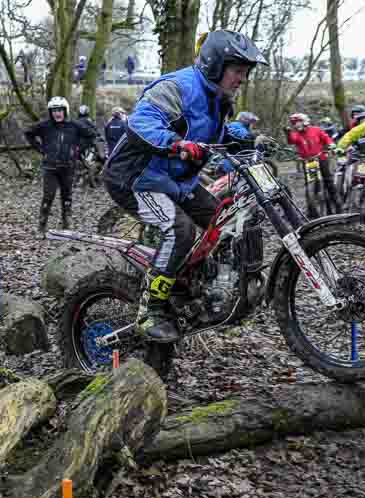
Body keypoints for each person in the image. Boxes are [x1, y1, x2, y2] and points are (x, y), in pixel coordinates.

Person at [103, 29, 268, 343]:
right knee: (180, 230)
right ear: (216, 65)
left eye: (246, 73)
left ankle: (196, 285)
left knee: (225, 219)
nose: (242, 79)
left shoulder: (218, 100)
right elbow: (140, 123)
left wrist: (249, 139)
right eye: (238, 71)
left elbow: (214, 135)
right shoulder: (178, 86)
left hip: (175, 181)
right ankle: (150, 309)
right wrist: (177, 145)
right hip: (135, 179)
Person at [24, 97, 96, 233]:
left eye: (60, 110)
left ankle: (66, 224)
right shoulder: (45, 125)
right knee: (48, 196)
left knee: (67, 196)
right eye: (54, 111)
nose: (57, 113)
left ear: (65, 111)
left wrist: (78, 149)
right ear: (50, 112)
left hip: (68, 167)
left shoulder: (74, 125)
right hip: (50, 167)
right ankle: (42, 226)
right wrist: (40, 148)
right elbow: (28, 133)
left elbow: (92, 135)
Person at [286, 113, 340, 217]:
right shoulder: (296, 134)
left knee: (328, 180)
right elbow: (291, 140)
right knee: (309, 184)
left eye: (298, 122)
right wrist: (287, 133)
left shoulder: (316, 130)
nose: (297, 125)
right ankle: (311, 210)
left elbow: (326, 138)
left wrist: (331, 144)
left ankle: (337, 205)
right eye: (294, 123)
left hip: (321, 158)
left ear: (305, 121)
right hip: (308, 162)